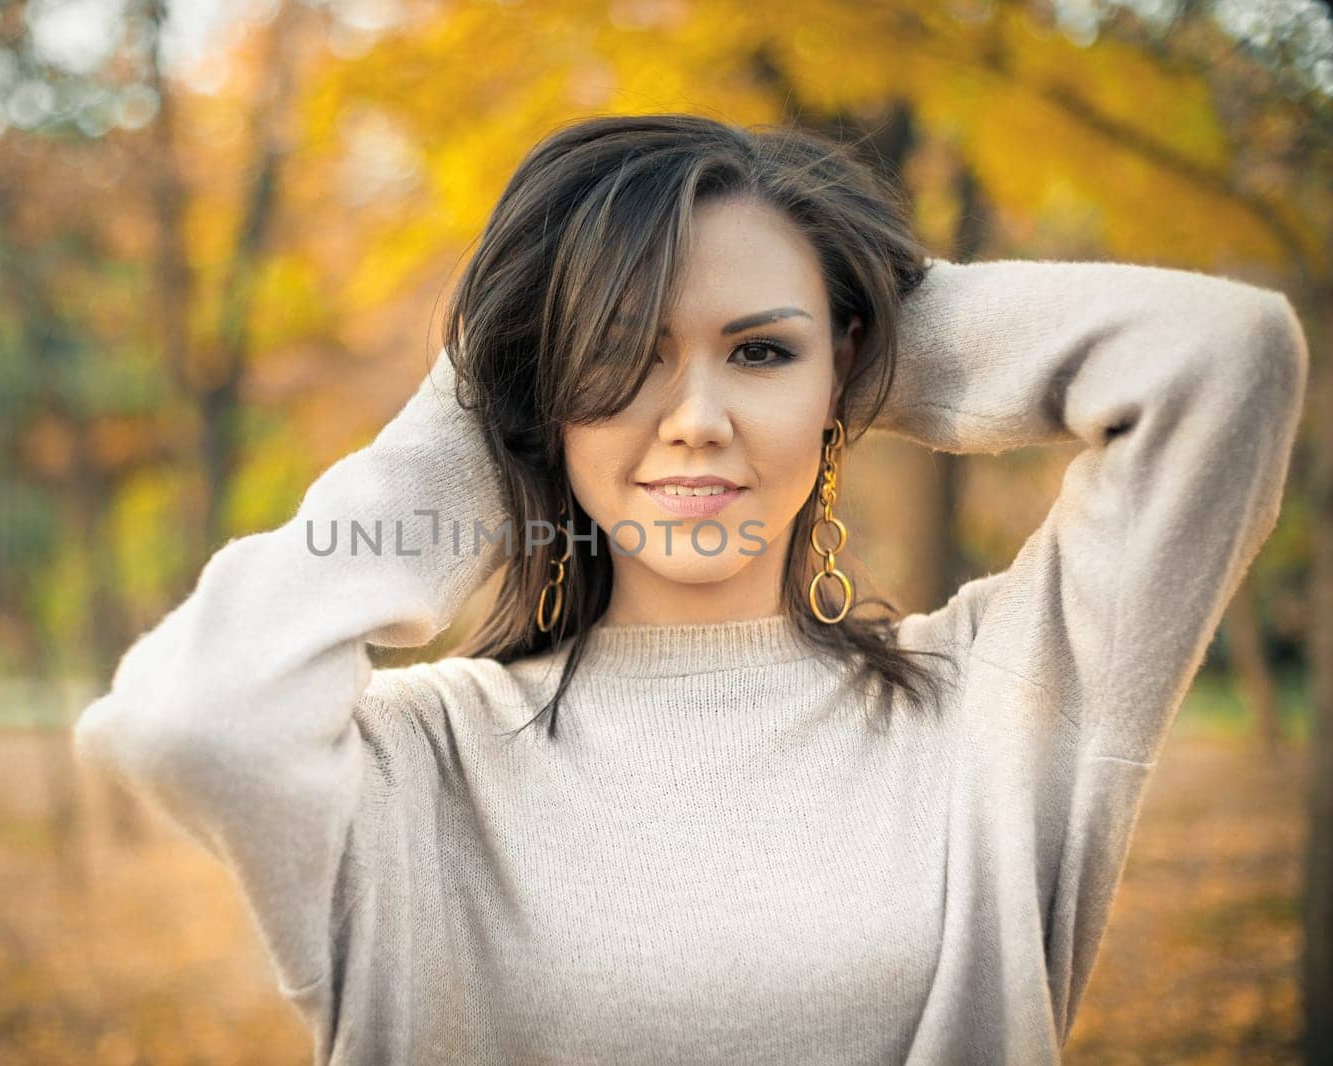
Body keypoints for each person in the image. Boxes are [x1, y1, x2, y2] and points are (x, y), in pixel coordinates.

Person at [71, 114, 1309, 1065]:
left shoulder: (995, 704)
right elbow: (184, 717)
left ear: (844, 374)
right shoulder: (420, 763)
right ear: (533, 398)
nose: (699, 421)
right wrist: (490, 408)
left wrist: (860, 314)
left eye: (760, 353)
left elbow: (1223, 359)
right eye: (621, 358)